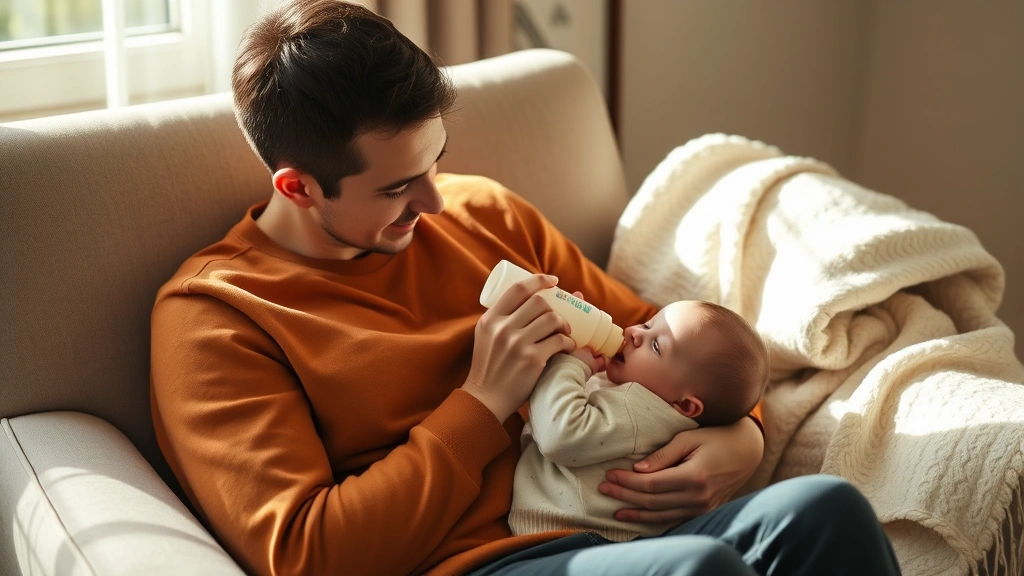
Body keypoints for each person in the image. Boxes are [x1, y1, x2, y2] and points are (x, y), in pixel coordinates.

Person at [149, 1, 901, 575]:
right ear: (300, 187)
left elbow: (668, 339)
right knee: (697, 570)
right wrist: (482, 403)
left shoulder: (481, 211)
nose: (437, 204)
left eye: (436, 161)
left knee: (824, 509)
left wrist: (742, 435)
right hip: (478, 562)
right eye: (400, 187)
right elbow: (306, 552)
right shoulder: (219, 318)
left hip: (617, 529)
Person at [510, 300, 770, 541]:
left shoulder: (639, 407)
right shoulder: (662, 408)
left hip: (573, 540)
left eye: (656, 346)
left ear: (685, 405)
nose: (634, 333)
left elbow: (560, 434)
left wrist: (567, 363)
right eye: (648, 324)